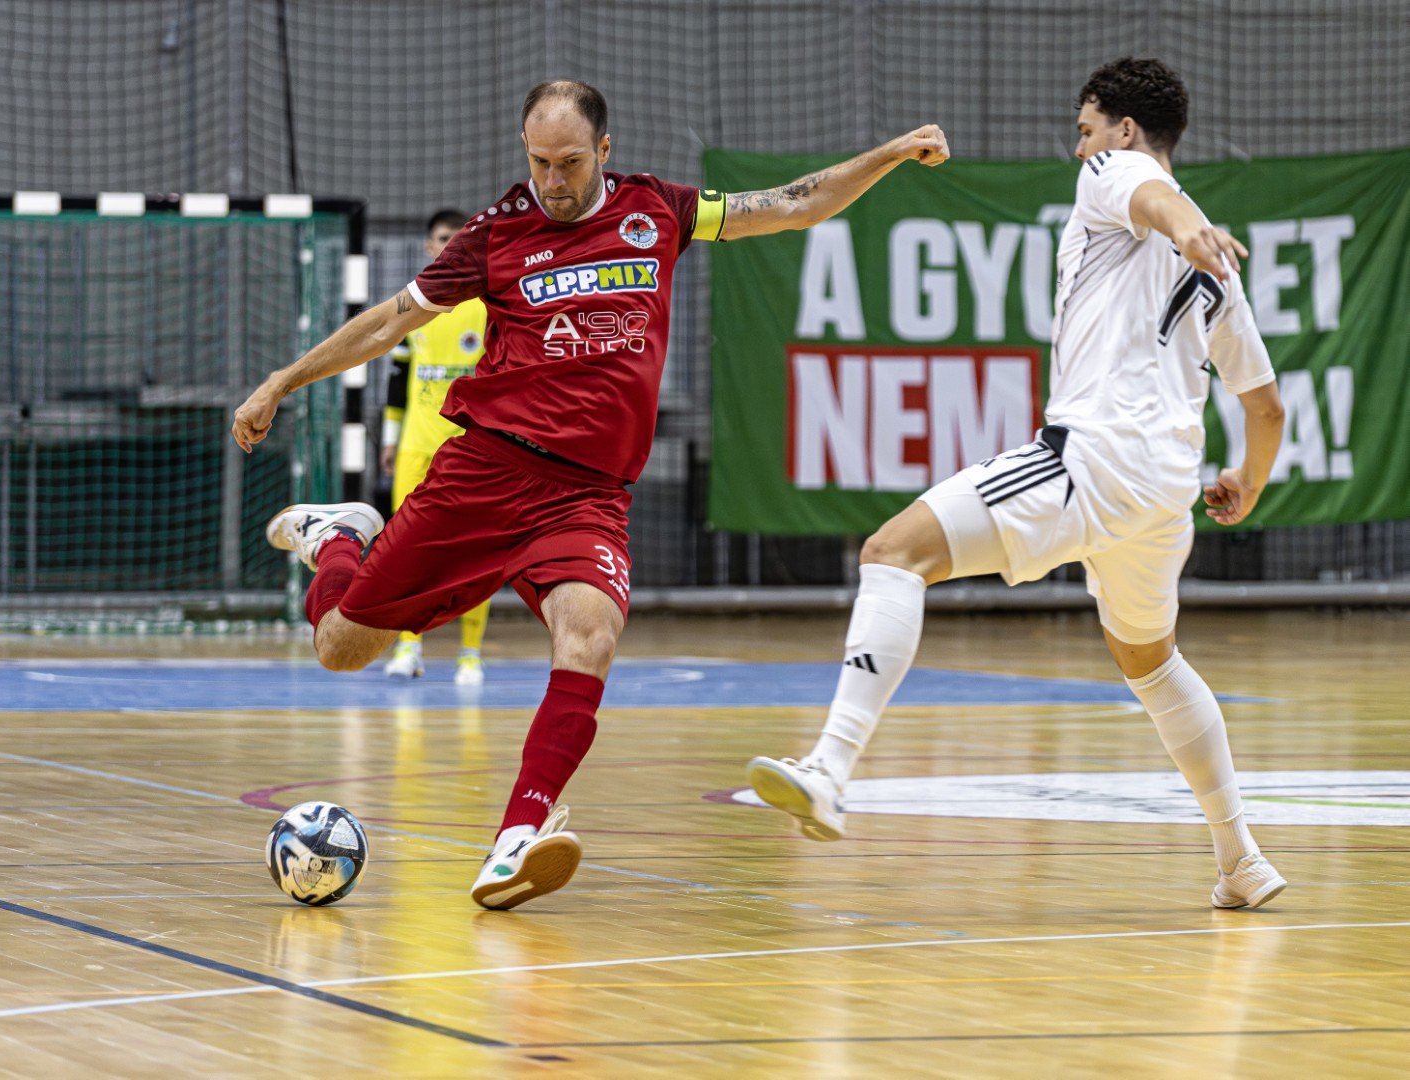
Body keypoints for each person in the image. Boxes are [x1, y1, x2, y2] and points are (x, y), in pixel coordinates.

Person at [233, 79, 950, 909]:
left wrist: (890, 155)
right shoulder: (498, 233)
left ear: (603, 152)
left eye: (569, 162)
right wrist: (283, 380)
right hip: (486, 476)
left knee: (591, 638)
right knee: (339, 647)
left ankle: (513, 843)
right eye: (538, 161)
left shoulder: (659, 212)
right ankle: (341, 539)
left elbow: (793, 205)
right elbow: (392, 320)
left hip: (587, 497)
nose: (552, 178)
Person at [747, 57, 1289, 911]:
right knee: (1151, 664)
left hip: (1093, 460)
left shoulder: (1122, 176)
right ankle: (1242, 859)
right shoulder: (1221, 269)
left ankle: (829, 766)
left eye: (1084, 130)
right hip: (1165, 494)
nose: (1079, 150)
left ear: (1122, 129)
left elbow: (1155, 197)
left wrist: (1186, 229)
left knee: (893, 553)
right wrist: (1248, 486)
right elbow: (1265, 410)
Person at [378, 209, 492, 687]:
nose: (448, 245)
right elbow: (399, 379)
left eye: (457, 238)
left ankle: (470, 655)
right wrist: (389, 438)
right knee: (407, 549)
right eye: (442, 238)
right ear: (428, 246)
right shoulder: (414, 305)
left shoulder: (489, 305)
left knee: (477, 552)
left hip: (473, 447)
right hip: (416, 447)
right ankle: (409, 645)